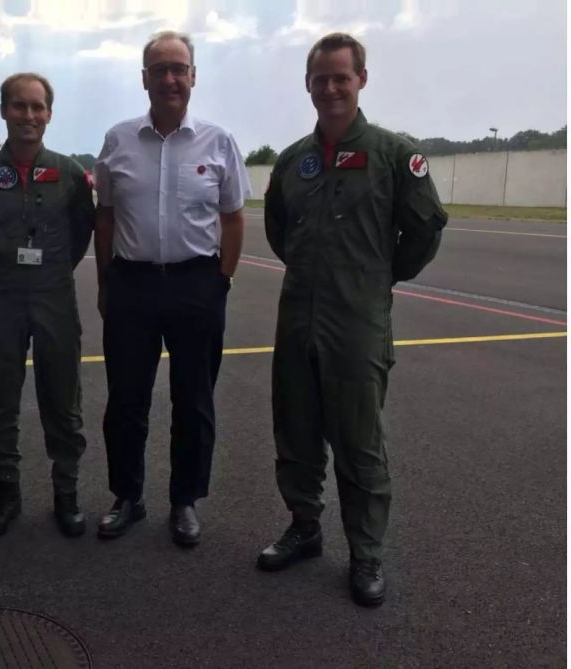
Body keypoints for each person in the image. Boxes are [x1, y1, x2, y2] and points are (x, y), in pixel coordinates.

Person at [256, 33, 448, 606]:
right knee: (295, 430)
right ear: (308, 85)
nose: (331, 87)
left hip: (358, 322)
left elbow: (424, 230)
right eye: (321, 78)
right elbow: (279, 229)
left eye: (342, 77)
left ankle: (366, 554)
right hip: (297, 318)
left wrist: (375, 277)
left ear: (362, 79)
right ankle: (304, 528)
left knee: (360, 442)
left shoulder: (394, 155)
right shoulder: (294, 161)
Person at [93, 31, 251, 547]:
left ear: (193, 76)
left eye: (178, 68)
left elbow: (232, 218)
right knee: (126, 402)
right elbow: (106, 216)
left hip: (196, 285)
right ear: (144, 79)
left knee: (194, 402)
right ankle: (128, 497)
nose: (169, 79)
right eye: (159, 69)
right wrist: (105, 282)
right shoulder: (117, 140)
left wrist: (221, 281)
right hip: (133, 286)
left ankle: (184, 501)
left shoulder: (218, 141)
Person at [0, 73, 95, 538]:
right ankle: (7, 492)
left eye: (37, 107)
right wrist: (5, 264)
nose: (29, 116)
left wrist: (51, 269)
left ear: (49, 114)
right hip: (3, 294)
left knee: (63, 395)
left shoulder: (71, 174)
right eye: (19, 106)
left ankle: (66, 493)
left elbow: (82, 232)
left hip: (55, 293)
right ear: (4, 111)